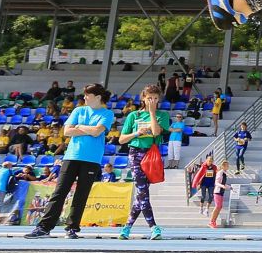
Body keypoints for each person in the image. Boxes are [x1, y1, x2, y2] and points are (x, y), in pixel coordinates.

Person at [25, 83, 115, 240]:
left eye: (88, 95)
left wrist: (79, 127)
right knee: (59, 192)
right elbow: (67, 131)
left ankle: (72, 228)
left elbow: (97, 132)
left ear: (98, 97)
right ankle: (44, 227)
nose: (84, 97)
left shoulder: (107, 113)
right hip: (71, 156)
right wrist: (88, 129)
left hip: (92, 159)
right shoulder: (78, 110)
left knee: (81, 195)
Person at [116, 84, 169, 241]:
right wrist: (136, 133)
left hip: (151, 155)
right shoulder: (134, 115)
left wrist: (152, 113)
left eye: (155, 98)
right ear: (143, 99)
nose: (152, 101)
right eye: (149, 98)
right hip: (135, 154)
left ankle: (127, 227)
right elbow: (121, 139)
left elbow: (156, 132)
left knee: (141, 194)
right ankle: (153, 227)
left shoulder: (162, 115)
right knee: (142, 192)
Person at [209, 160, 230, 228]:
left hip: (221, 192)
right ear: (223, 166)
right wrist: (222, 186)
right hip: (217, 191)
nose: (228, 167)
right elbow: (217, 183)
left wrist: (230, 187)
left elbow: (223, 183)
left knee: (219, 207)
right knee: (217, 206)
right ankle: (211, 221)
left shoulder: (224, 173)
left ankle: (214, 221)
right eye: (227, 166)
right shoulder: (220, 173)